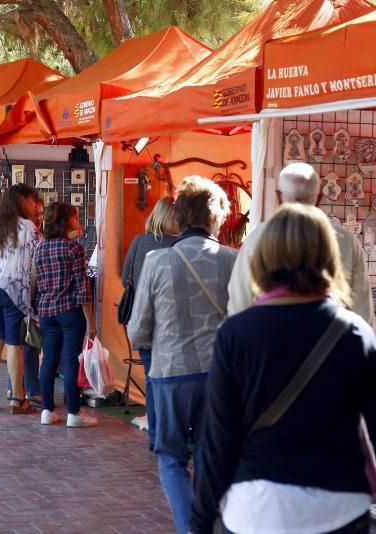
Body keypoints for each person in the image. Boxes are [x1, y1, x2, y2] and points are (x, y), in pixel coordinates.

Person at [191, 203, 376, 534]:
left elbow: (217, 440)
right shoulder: (356, 334)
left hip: (258, 506)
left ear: (264, 256)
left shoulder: (236, 334)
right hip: (340, 506)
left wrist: (201, 519)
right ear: (329, 256)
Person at [127, 176, 236, 534]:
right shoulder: (233, 261)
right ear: (217, 216)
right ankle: (204, 520)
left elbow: (138, 329)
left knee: (171, 457)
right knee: (210, 454)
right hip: (221, 376)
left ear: (181, 216)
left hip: (171, 372)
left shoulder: (158, 262)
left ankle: (191, 528)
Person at [228, 162, 375, 327]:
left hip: (269, 342)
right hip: (331, 343)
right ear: (319, 199)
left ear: (278, 197)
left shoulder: (257, 238)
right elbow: (363, 312)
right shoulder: (346, 240)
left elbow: (239, 304)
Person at [0, 183, 41, 414]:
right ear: (22, 201)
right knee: (15, 345)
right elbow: (40, 254)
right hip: (11, 287)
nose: (35, 206)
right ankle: (17, 399)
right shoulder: (28, 227)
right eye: (33, 201)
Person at [121, 197, 180, 450]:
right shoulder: (179, 245)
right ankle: (172, 434)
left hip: (141, 320)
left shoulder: (138, 241)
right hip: (169, 322)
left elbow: (126, 279)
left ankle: (155, 436)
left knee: (151, 378)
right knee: (172, 379)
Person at [34, 202, 98, 428]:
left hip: (46, 311)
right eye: (75, 217)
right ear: (66, 220)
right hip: (70, 312)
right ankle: (73, 412)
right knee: (70, 361)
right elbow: (82, 288)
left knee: (49, 360)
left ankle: (47, 411)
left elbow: (37, 283)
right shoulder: (74, 249)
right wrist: (91, 321)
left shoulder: (40, 248)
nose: (77, 220)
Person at [7, 195, 44, 404]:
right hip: (23, 295)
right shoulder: (30, 233)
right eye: (35, 212)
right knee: (24, 344)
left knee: (26, 343)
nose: (38, 217)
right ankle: (25, 388)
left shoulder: (33, 233)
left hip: (29, 294)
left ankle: (19, 388)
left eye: (40, 213)